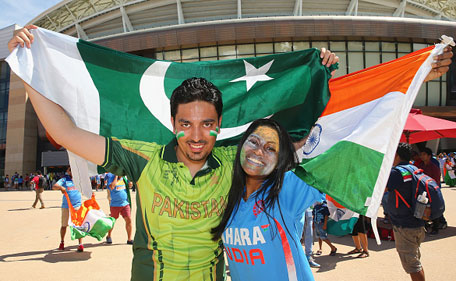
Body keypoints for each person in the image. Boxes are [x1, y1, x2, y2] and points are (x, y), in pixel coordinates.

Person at [8, 25, 450, 281]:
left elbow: (310, 132)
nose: (196, 135)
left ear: (220, 126)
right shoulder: (140, 156)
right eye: (185, 123)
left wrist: (409, 72)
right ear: (172, 123)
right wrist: (25, 66)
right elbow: (63, 130)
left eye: (206, 124)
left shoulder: (233, 163)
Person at [212, 119, 326, 281]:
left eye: (270, 148)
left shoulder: (286, 188)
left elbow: (334, 159)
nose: (259, 152)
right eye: (253, 142)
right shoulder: (227, 197)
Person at [385, 143, 427, 281]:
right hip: (417, 221)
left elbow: (381, 190)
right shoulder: (414, 169)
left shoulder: (397, 172)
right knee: (415, 261)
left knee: (412, 265)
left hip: (405, 225)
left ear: (396, 155)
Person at [52, 166, 84, 252]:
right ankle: (62, 242)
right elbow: (54, 186)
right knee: (64, 225)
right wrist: (61, 187)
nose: (72, 172)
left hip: (77, 206)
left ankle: (80, 244)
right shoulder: (64, 180)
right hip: (66, 206)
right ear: (68, 171)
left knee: (78, 225)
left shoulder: (79, 179)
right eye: (71, 170)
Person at [418, 147, 446, 235]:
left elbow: (436, 180)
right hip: (423, 191)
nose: (421, 156)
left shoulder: (434, 167)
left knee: (434, 209)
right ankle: (425, 226)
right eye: (421, 154)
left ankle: (435, 228)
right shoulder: (421, 166)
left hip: (432, 190)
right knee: (422, 208)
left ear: (429, 156)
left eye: (424, 154)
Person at [105, 173, 133, 244]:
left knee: (128, 220)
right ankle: (109, 236)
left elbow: (129, 186)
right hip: (115, 204)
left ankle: (129, 239)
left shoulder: (124, 178)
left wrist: (130, 184)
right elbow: (112, 186)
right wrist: (116, 176)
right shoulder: (111, 177)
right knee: (112, 221)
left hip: (125, 203)